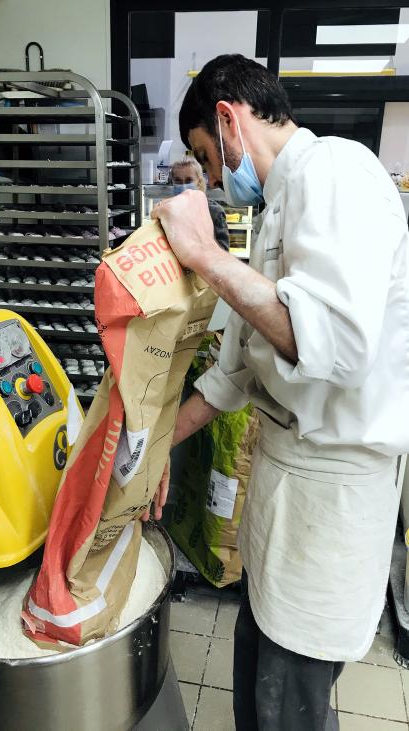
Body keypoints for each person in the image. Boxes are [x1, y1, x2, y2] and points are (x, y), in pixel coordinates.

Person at [147, 54, 409, 731]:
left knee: (289, 702)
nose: (211, 178)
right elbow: (235, 373)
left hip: (330, 504)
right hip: (286, 496)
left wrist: (206, 256)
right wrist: (147, 455)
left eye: (207, 158)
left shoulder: (339, 174)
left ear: (229, 119)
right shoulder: (275, 210)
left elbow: (334, 345)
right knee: (257, 673)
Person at [169, 156, 230, 251]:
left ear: (199, 181)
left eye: (189, 180)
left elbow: (223, 252)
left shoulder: (213, 211)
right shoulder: (169, 212)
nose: (183, 185)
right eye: (178, 181)